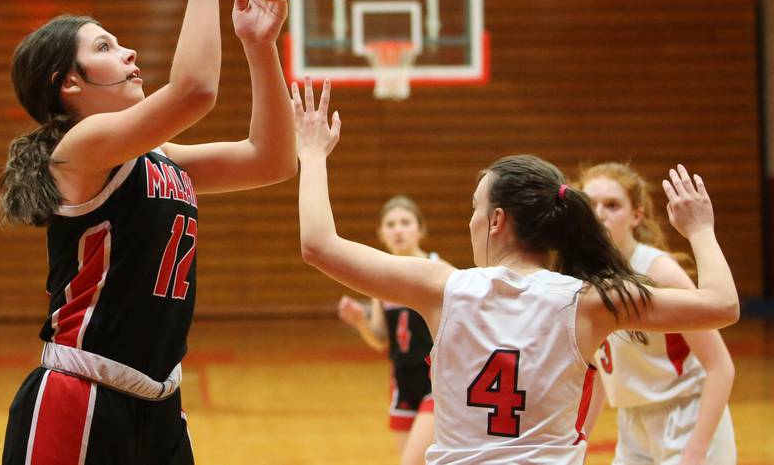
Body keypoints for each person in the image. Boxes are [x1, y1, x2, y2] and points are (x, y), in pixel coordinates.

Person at [291, 78, 739, 465]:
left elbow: (318, 245)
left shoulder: (440, 286)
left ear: (497, 220)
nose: (471, 220)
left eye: (474, 208)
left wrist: (312, 153)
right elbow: (722, 305)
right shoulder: (587, 302)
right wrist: (700, 230)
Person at [0, 0, 296, 465]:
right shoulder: (77, 150)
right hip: (80, 396)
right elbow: (195, 92)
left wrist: (261, 47)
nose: (130, 51)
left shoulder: (160, 159)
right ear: (70, 84)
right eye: (107, 46)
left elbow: (271, 161)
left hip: (158, 402)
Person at [578, 162, 736, 465]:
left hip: (687, 416)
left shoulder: (659, 272)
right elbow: (596, 370)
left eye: (612, 205)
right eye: (590, 204)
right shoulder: (585, 275)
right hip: (632, 421)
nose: (599, 214)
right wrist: (580, 438)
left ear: (637, 215)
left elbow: (720, 367)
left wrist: (697, 450)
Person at [337, 196, 443, 465]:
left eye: (405, 223)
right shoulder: (380, 277)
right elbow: (381, 340)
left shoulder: (438, 270)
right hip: (402, 382)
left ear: (421, 229)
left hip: (435, 380)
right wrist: (361, 320)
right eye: (391, 224)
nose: (398, 229)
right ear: (381, 234)